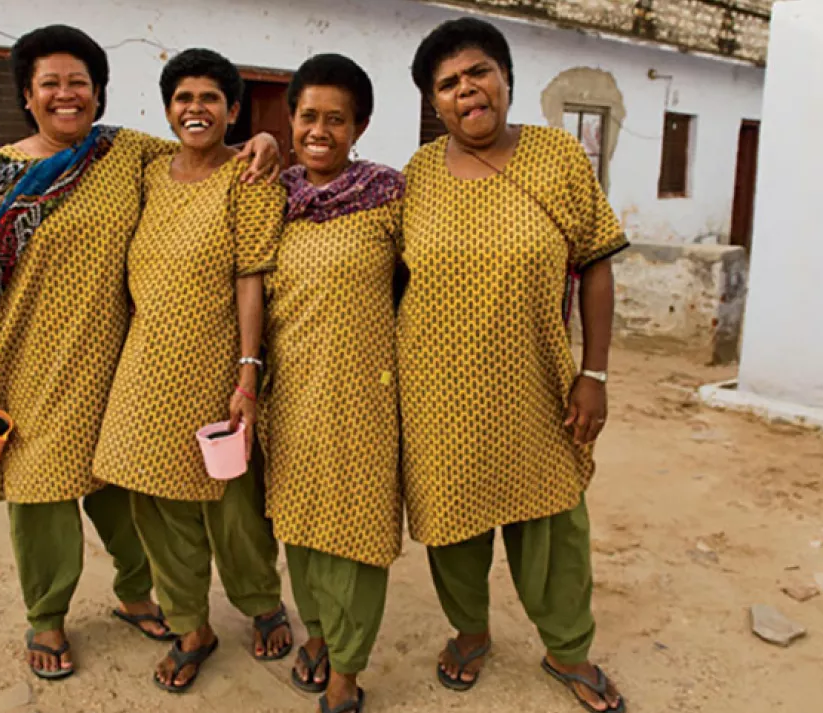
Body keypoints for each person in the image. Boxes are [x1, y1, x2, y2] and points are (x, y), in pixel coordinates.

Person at [0, 25, 280, 681]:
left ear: (99, 92)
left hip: (122, 361)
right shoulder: (1, 176)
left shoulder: (120, 152)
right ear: (28, 94)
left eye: (79, 82)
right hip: (35, 361)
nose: (66, 95)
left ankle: (136, 592)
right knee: (41, 495)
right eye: (51, 83)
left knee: (125, 492)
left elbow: (203, 147)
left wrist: (263, 140)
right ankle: (45, 614)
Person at [399, 17, 629, 713]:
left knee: (555, 522)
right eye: (447, 84)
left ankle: (568, 649)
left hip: (535, 385)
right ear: (435, 104)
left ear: (506, 80)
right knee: (453, 523)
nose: (466, 89)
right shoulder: (416, 175)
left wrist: (595, 372)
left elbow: (594, 264)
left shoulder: (558, 157)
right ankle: (470, 631)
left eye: (477, 72)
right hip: (436, 391)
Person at [90, 48, 291, 693]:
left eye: (210, 98)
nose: (195, 109)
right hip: (145, 367)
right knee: (154, 503)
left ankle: (261, 603)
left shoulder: (250, 177)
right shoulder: (148, 169)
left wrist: (247, 372)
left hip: (218, 366)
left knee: (234, 505)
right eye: (183, 98)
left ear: (233, 109)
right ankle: (191, 625)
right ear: (167, 108)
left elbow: (251, 277)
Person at [261, 53, 403, 713]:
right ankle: (316, 631)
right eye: (308, 116)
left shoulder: (390, 196)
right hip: (288, 392)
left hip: (366, 391)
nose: (320, 130)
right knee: (301, 520)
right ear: (291, 120)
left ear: (360, 126)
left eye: (336, 119)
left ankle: (347, 665)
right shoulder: (269, 194)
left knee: (360, 530)